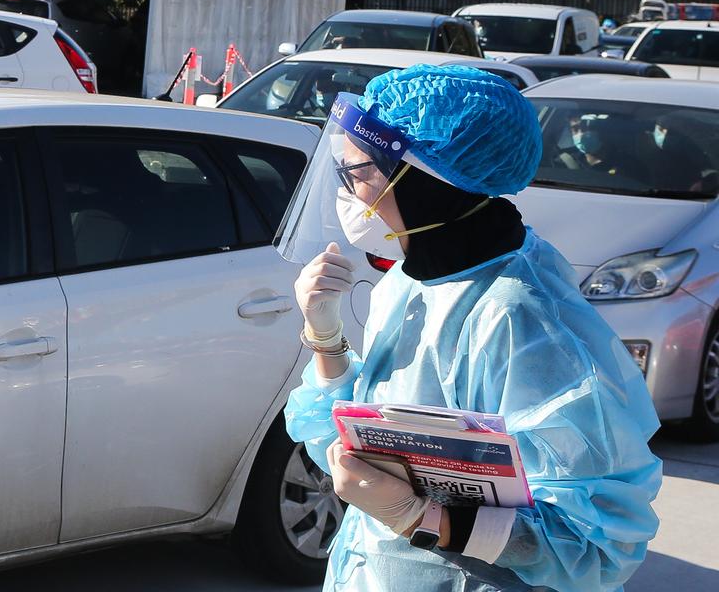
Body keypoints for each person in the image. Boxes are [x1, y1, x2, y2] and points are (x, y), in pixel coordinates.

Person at [281, 65, 661, 591]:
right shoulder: (417, 282)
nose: (347, 191)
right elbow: (347, 439)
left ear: (426, 182)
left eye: (358, 172)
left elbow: (596, 547)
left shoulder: (519, 317)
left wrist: (421, 519)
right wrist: (324, 338)